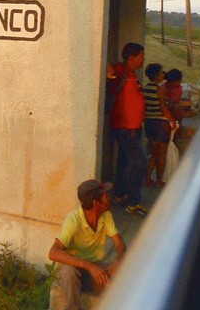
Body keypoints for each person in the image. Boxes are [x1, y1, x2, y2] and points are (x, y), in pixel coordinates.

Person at [49, 180, 126, 310]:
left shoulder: (106, 216)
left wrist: (119, 260)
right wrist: (89, 266)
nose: (109, 198)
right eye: (105, 196)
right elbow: (53, 252)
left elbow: (119, 242)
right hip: (73, 271)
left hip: (93, 270)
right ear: (96, 203)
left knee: (124, 268)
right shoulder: (73, 220)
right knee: (69, 270)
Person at [106, 42, 148, 215]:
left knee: (125, 162)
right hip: (125, 127)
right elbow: (109, 70)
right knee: (141, 162)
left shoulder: (132, 74)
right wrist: (109, 71)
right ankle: (133, 201)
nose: (143, 59)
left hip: (133, 127)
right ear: (131, 57)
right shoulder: (121, 70)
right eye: (141, 56)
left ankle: (120, 194)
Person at [142, 63, 177, 188]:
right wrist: (172, 120)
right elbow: (163, 108)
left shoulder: (144, 88)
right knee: (162, 154)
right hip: (161, 124)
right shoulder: (159, 89)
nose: (163, 74)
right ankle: (159, 180)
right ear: (157, 75)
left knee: (154, 152)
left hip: (149, 122)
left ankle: (147, 178)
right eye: (161, 72)